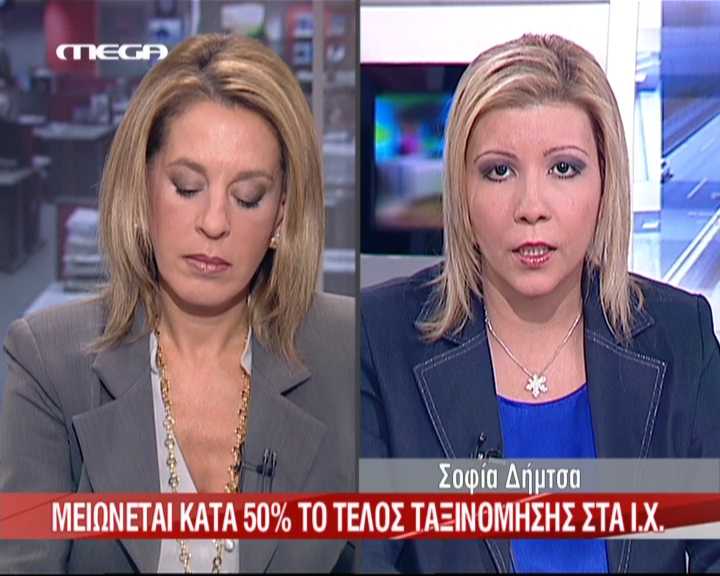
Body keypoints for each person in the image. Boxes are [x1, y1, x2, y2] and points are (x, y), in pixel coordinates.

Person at [360, 34, 720, 573]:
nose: (532, 207)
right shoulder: (378, 338)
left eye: (564, 169)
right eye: (499, 171)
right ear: (461, 189)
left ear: (606, 182)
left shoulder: (681, 338)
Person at [0, 33, 355, 573]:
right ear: (142, 188)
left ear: (281, 216)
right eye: (188, 187)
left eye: (247, 197)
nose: (214, 223)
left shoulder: (349, 348)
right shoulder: (47, 362)